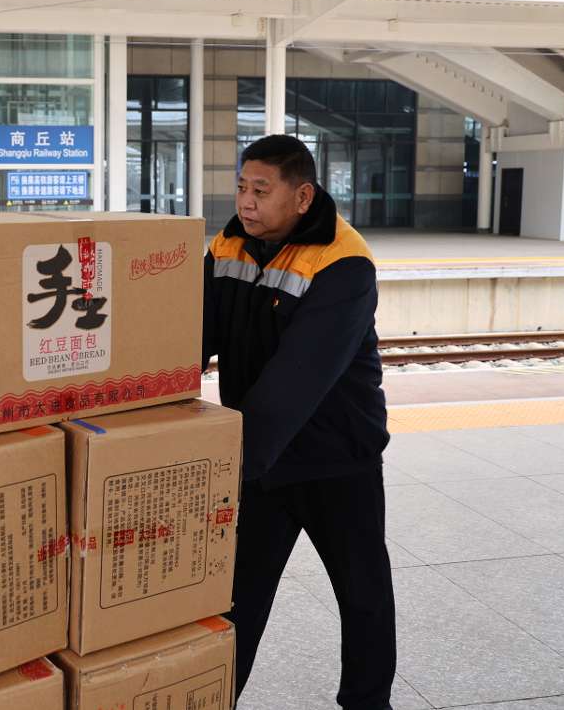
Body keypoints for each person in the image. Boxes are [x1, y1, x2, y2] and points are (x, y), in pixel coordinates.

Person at [202, 135, 396, 710]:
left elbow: (296, 382)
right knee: (239, 598)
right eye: (241, 187)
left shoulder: (344, 263)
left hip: (338, 459)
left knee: (362, 593)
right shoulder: (230, 245)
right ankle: (215, 696)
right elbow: (192, 335)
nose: (246, 202)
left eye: (261, 190)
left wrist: (227, 465)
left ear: (303, 196)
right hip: (261, 457)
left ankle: (367, 703)